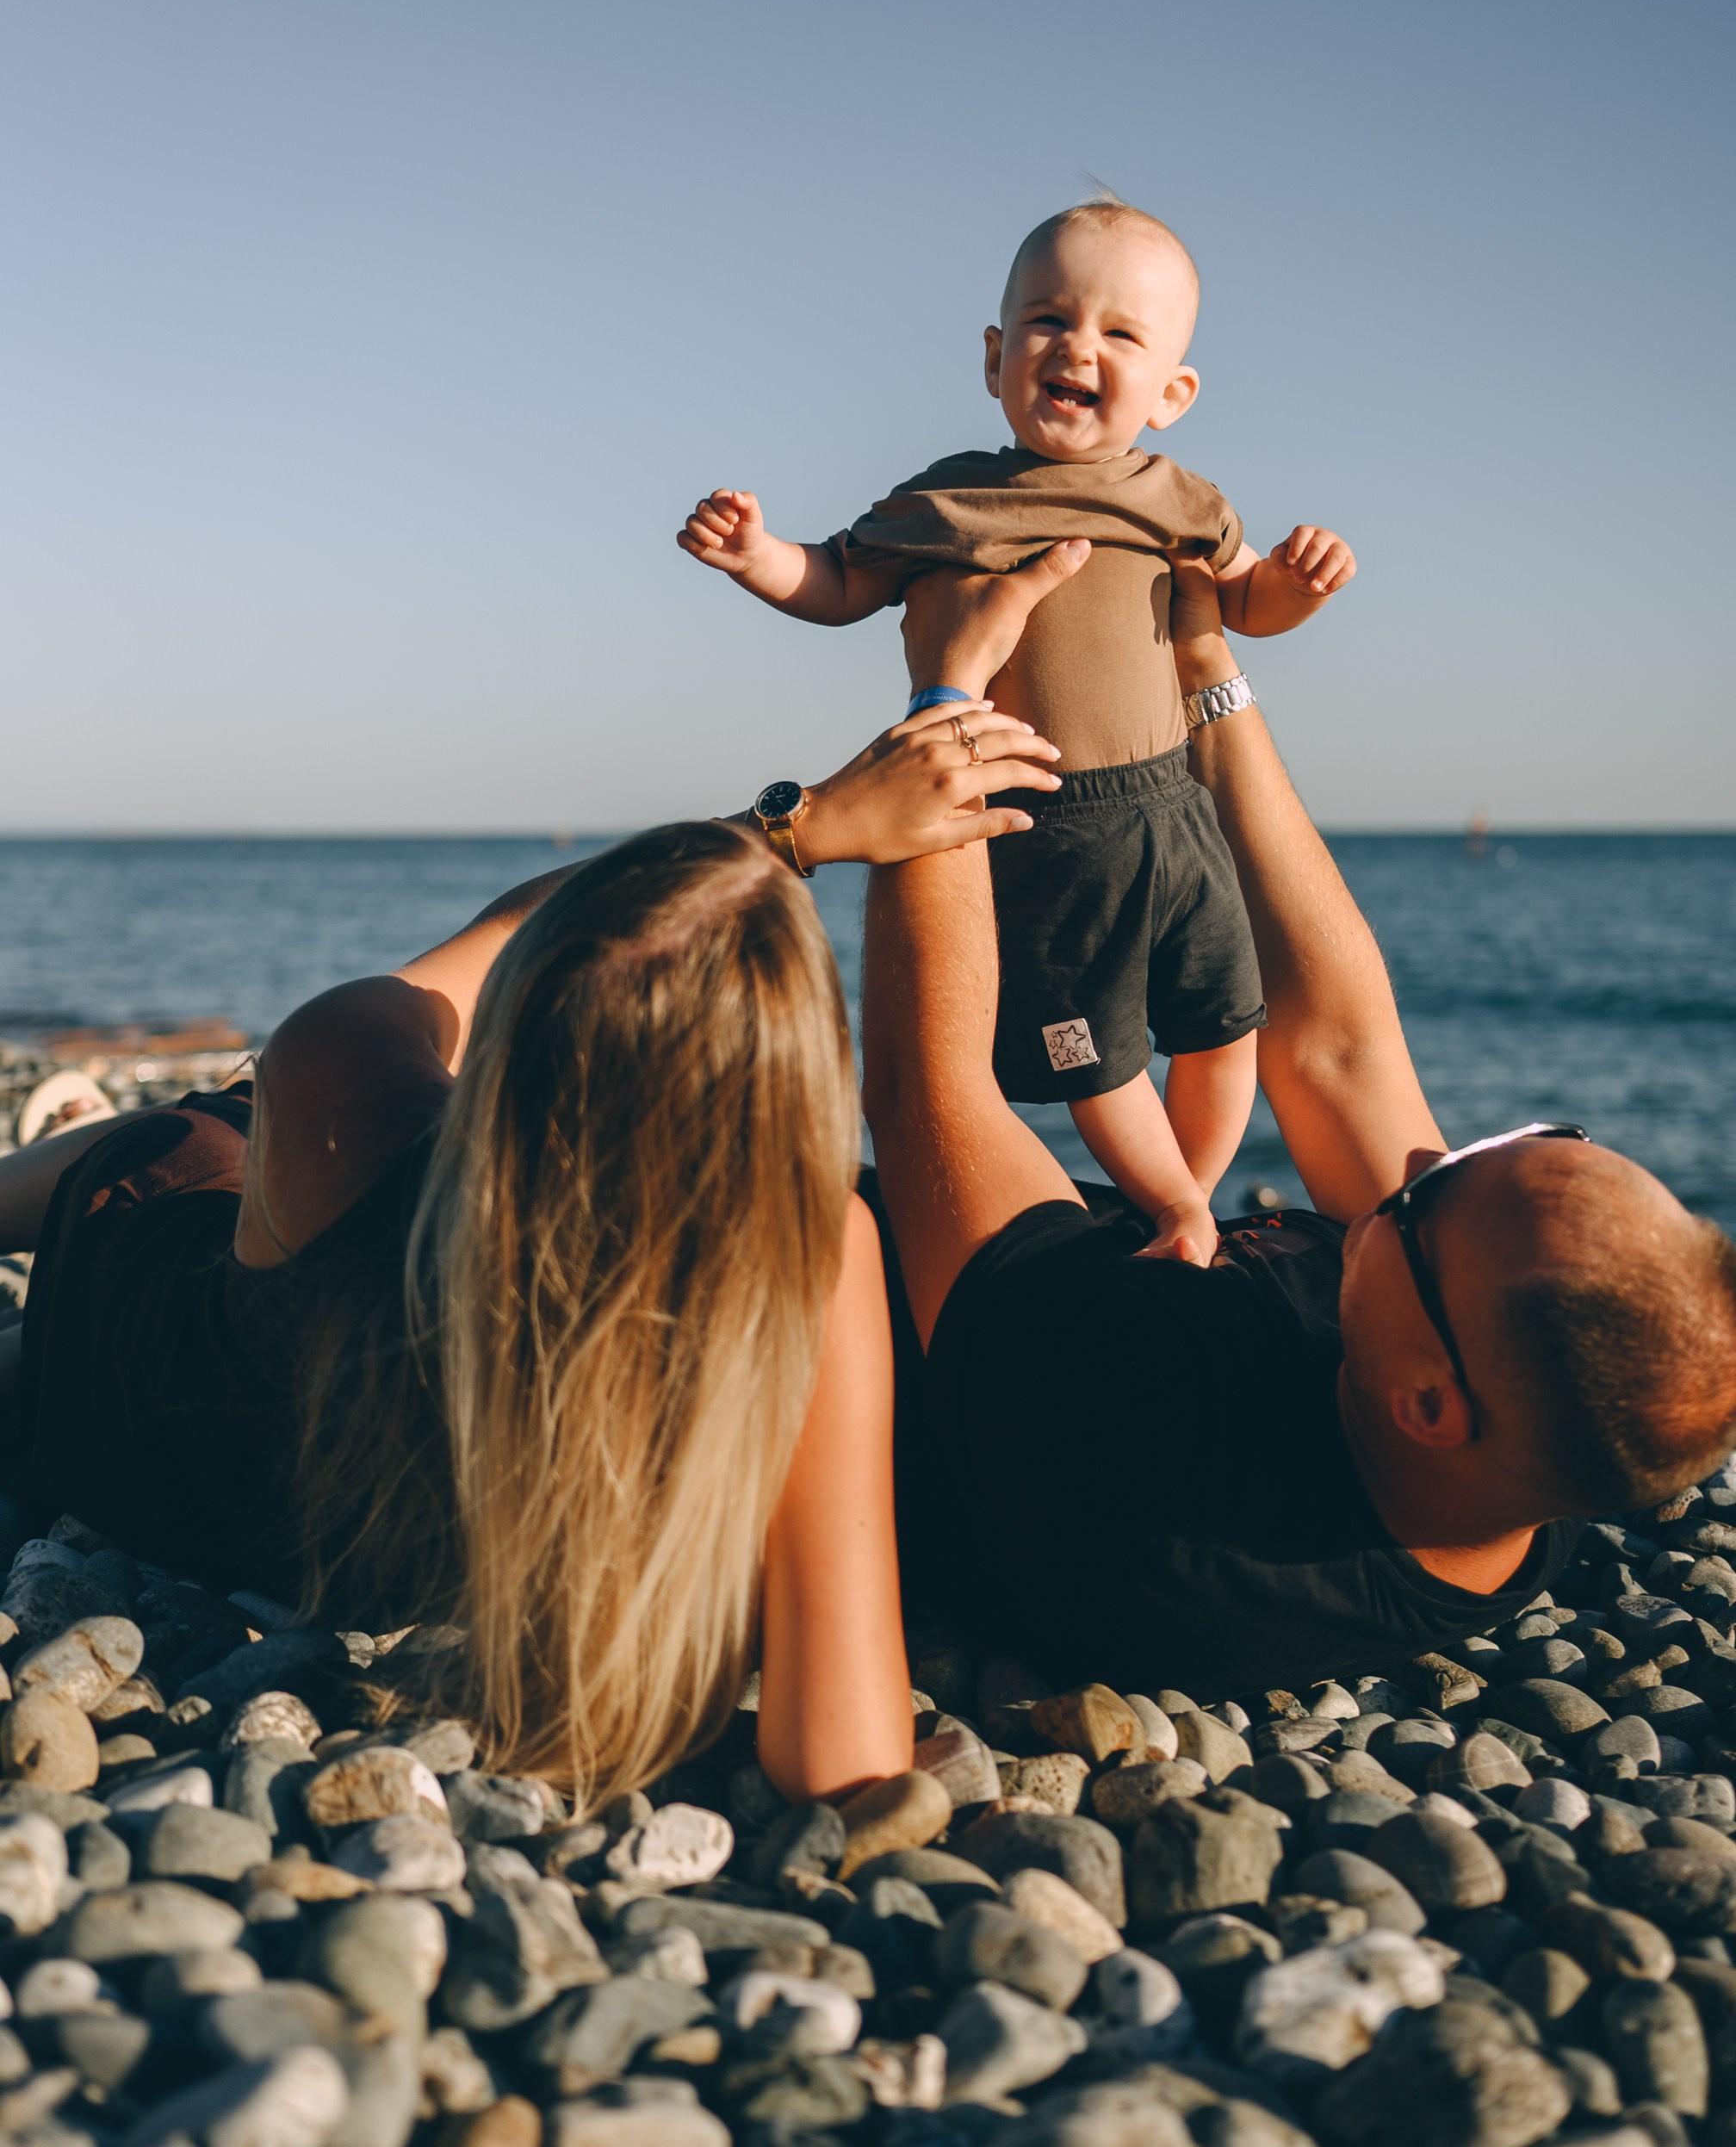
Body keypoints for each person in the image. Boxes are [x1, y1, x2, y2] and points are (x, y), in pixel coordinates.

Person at [0, 699, 1061, 1810]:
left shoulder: (343, 1070)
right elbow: (845, 1749)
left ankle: (36, 1332)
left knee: (187, 1134)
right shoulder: (806, 1252)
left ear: (530, 1016)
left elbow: (503, 939)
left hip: (144, 1408)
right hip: (305, 1537)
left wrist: (805, 829)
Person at [864, 545, 1736, 1700]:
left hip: (819, 1298)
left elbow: (934, 1093)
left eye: (1430, 1196)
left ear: (1426, 1402)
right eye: (1523, 1141)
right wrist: (1206, 667)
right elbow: (1339, 1045)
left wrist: (945, 702)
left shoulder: (1135, 1442)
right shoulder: (1533, 1469)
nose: (1423, 1160)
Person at [679, 195, 1355, 1263]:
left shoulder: (1180, 498)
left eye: (1119, 334)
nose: (1077, 346)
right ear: (996, 359)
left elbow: (1244, 605)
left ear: (1173, 392)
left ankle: (1189, 1195)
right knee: (1100, 1054)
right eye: (1048, 321)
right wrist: (760, 555)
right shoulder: (952, 500)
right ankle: (1173, 1210)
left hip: (1177, 804)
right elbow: (843, 582)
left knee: (1228, 1021)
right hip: (1044, 815)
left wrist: (1300, 586)